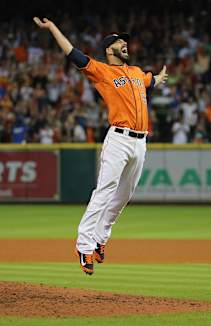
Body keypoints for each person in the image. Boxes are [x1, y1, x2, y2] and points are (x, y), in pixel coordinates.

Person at [33, 17, 168, 275]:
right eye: (119, 42)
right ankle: (84, 244)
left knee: (125, 195)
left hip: (140, 143)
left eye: (125, 41)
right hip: (118, 138)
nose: (125, 44)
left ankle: (100, 239)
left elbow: (151, 81)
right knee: (105, 190)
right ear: (109, 50)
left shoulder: (138, 73)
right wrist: (52, 29)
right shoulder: (102, 71)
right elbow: (72, 53)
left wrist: (159, 78)